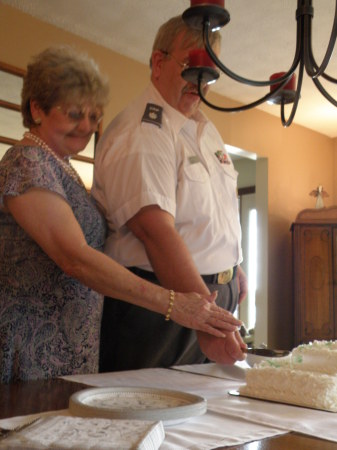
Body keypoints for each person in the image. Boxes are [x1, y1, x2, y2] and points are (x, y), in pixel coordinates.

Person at [0, 46, 243, 383]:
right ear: (37, 109)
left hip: (69, 347)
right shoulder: (26, 162)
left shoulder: (63, 169)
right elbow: (75, 259)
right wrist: (174, 303)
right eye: (73, 114)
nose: (85, 127)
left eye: (94, 115)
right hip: (31, 348)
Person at [92, 16, 248, 373]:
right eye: (191, 67)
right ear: (159, 63)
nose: (201, 82)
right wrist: (203, 317)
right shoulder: (143, 130)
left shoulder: (205, 130)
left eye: (209, 73)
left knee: (205, 420)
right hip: (163, 306)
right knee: (149, 416)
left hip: (208, 299)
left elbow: (216, 211)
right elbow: (155, 232)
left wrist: (233, 268)